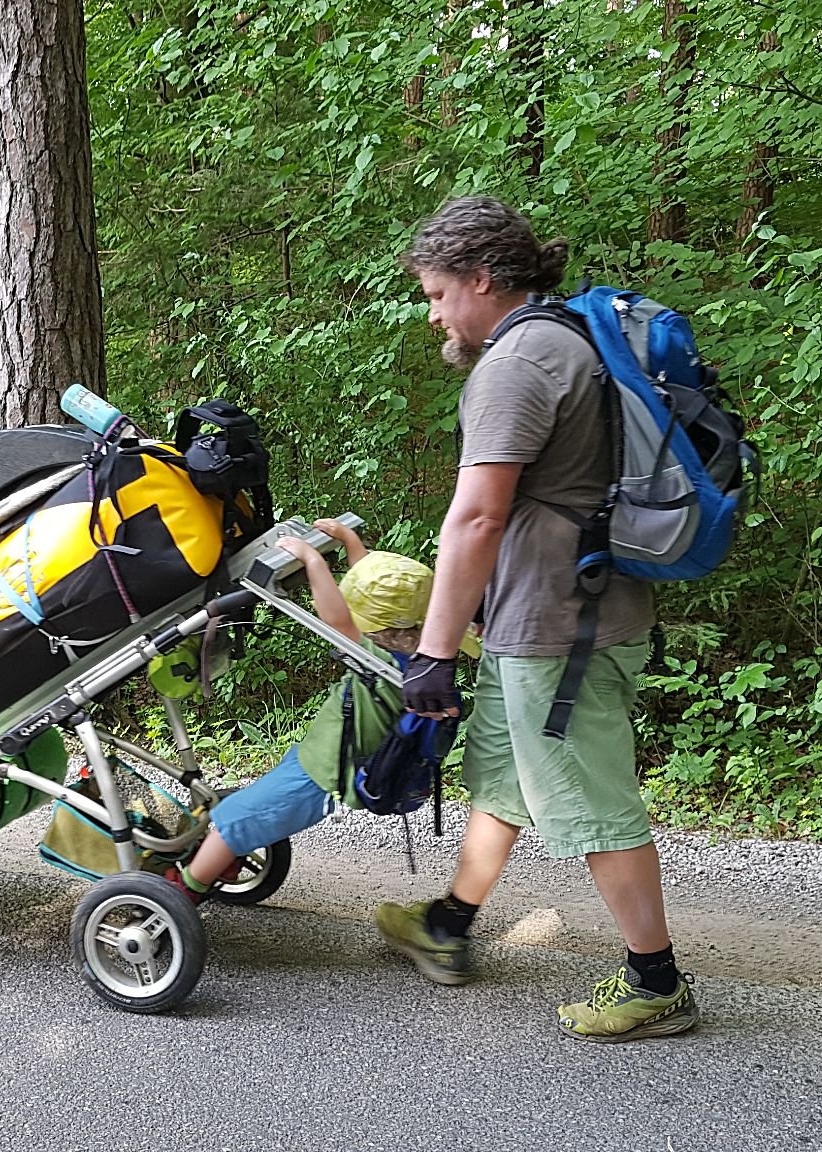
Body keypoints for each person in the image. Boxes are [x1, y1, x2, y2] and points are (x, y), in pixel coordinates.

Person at [374, 195, 698, 1043]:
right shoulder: (568, 336)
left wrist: (433, 652)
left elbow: (478, 516)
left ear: (482, 278)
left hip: (561, 630)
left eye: (438, 294)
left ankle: (656, 981)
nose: (433, 314)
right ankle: (448, 922)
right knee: (504, 775)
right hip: (567, 610)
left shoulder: (516, 365)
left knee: (591, 801)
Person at [168, 519, 438, 900]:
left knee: (235, 820)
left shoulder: (381, 660)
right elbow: (373, 595)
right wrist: (349, 540)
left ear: (380, 627)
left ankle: (184, 890)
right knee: (255, 809)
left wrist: (313, 561)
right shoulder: (421, 651)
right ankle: (225, 860)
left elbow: (339, 619)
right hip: (319, 760)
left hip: (321, 775)